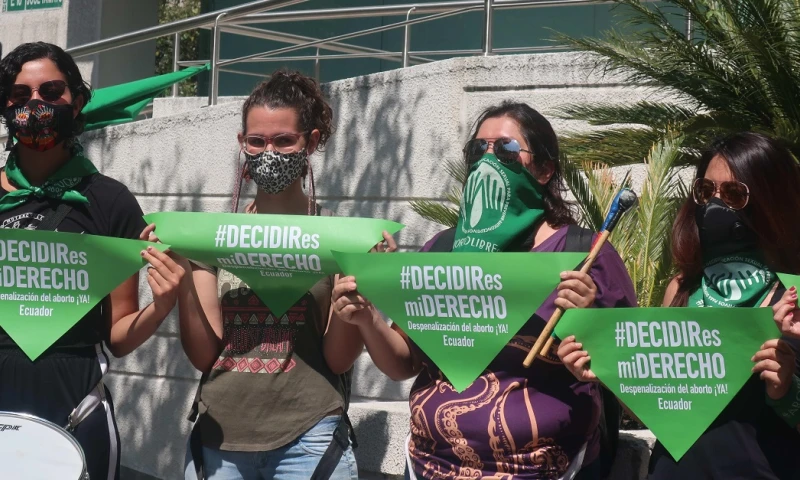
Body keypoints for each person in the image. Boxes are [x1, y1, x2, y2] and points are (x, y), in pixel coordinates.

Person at [332, 101, 637, 479]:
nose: (489, 159)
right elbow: (405, 362)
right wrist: (367, 319)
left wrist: (591, 324)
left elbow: (633, 372)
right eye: (478, 149)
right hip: (430, 466)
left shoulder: (586, 255)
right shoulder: (442, 249)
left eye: (507, 149)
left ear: (544, 170)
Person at [156, 69, 395, 480]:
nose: (269, 152)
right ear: (242, 145)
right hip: (220, 436)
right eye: (257, 141)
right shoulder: (209, 239)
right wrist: (180, 284)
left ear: (312, 142)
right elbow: (203, 356)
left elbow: (337, 358)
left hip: (311, 436)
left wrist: (361, 286)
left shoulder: (344, 240)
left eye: (284, 140)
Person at [560, 132, 800, 479]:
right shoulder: (683, 287)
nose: (715, 204)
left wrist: (786, 389)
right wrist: (604, 368)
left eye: (734, 194)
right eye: (705, 191)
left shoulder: (792, 293)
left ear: (770, 200)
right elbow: (652, 408)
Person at [0, 42, 184, 480]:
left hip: (75, 408)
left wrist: (161, 306)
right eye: (21, 96)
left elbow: (117, 336)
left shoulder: (109, 201)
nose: (36, 105)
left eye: (51, 92)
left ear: (77, 101)